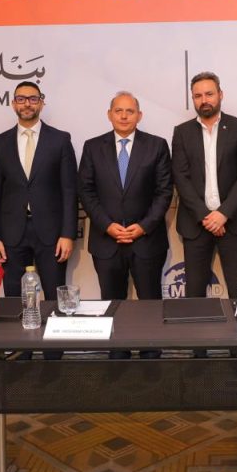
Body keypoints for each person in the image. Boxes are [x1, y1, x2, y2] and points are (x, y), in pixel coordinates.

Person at [0, 81, 77, 360]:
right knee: (16, 298)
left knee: (53, 298)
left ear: (41, 102)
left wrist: (68, 233)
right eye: (21, 99)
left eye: (33, 98)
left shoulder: (60, 139)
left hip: (51, 233)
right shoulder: (0, 142)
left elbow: (69, 190)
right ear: (13, 103)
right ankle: (19, 358)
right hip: (11, 233)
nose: (27, 103)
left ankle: (53, 360)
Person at [78, 91, 173, 358]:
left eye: (129, 111)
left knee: (150, 303)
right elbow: (86, 191)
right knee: (112, 303)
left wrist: (143, 226)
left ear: (139, 116)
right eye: (118, 111)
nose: (123, 116)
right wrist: (107, 225)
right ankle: (117, 357)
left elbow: (164, 192)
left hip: (146, 240)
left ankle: (151, 356)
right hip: (106, 241)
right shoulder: (92, 147)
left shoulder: (156, 146)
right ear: (109, 115)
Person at [171, 72, 237, 299]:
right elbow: (181, 178)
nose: (204, 100)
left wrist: (223, 214)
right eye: (198, 96)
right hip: (196, 224)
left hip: (233, 223)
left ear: (220, 94)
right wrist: (206, 216)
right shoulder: (182, 132)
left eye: (209, 94)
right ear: (192, 99)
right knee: (194, 295)